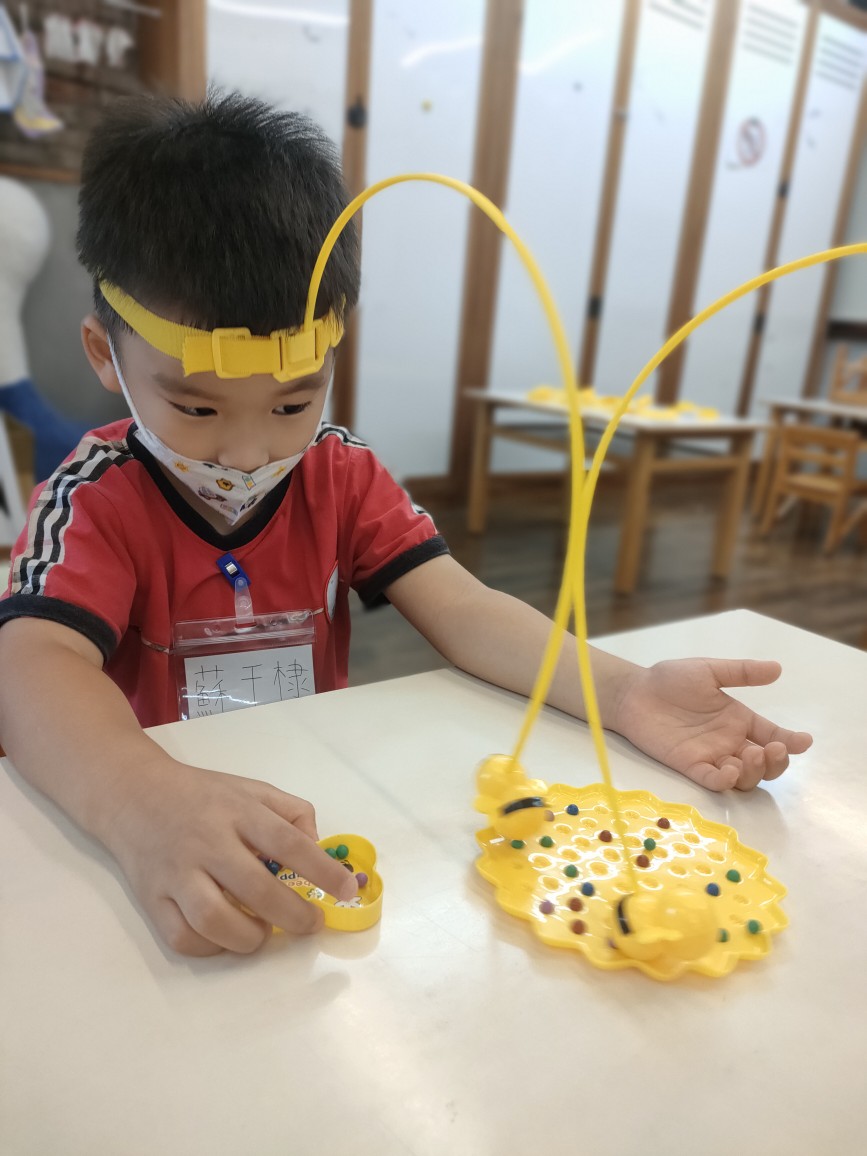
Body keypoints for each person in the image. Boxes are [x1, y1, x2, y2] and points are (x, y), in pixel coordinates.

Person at [0, 93, 812, 958]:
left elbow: (462, 609)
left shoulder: (339, 474)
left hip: (318, 801)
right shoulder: (93, 497)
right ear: (105, 354)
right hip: (164, 827)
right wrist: (140, 801)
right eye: (197, 407)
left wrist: (621, 692)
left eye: (293, 402)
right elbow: (29, 665)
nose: (247, 450)